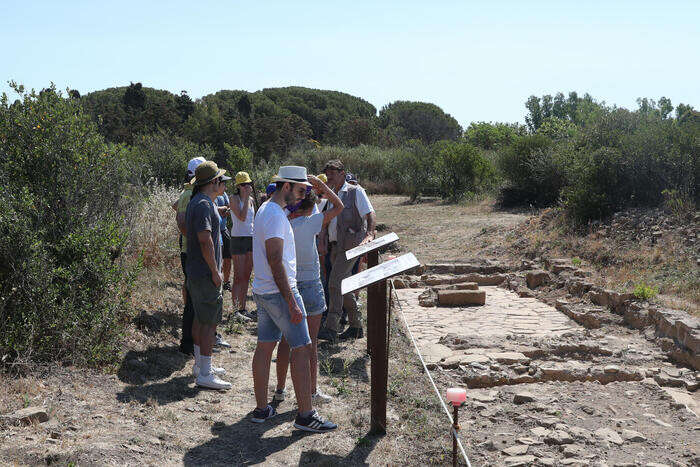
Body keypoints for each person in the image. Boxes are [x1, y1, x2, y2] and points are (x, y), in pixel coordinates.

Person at [250, 165, 337, 433]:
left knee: (265, 346)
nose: (302, 196)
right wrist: (290, 300)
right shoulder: (275, 215)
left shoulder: (267, 209)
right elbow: (276, 259)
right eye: (300, 189)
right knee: (301, 348)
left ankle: (262, 409)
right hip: (280, 291)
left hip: (264, 290)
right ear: (286, 186)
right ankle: (305, 415)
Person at [272, 175, 343, 405]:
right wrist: (322, 186)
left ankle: (280, 389)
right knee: (310, 342)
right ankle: (311, 391)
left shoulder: (283, 223)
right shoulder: (311, 222)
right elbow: (339, 206)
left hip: (289, 285)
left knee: (285, 340)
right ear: (310, 207)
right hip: (310, 284)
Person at [317, 160, 376, 342]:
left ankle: (332, 328)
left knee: (334, 283)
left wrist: (370, 233)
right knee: (343, 285)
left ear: (342, 173)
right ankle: (356, 326)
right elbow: (326, 220)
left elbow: (370, 213)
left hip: (351, 246)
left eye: (332, 172)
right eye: (327, 173)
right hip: (336, 246)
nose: (329, 176)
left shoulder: (355, 191)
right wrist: (323, 240)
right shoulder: (332, 194)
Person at [185, 161, 232, 390]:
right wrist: (215, 271)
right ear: (213, 182)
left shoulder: (198, 202)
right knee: (209, 322)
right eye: (219, 179)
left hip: (196, 271)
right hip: (205, 273)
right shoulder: (204, 204)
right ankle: (205, 372)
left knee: (199, 318)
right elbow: (205, 240)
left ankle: (200, 365)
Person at [173, 156, 205, 355]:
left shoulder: (189, 193)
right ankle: (189, 343)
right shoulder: (189, 194)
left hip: (191, 250)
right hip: (191, 251)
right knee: (193, 300)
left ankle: (194, 342)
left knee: (195, 298)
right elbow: (182, 221)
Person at [229, 171, 256, 321]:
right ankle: (235, 310)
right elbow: (242, 216)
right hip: (238, 239)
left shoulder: (251, 199)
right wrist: (245, 199)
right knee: (238, 276)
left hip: (250, 238)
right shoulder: (233, 199)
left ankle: (242, 308)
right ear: (238, 186)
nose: (247, 187)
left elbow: (252, 219)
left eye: (248, 184)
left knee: (246, 275)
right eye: (244, 184)